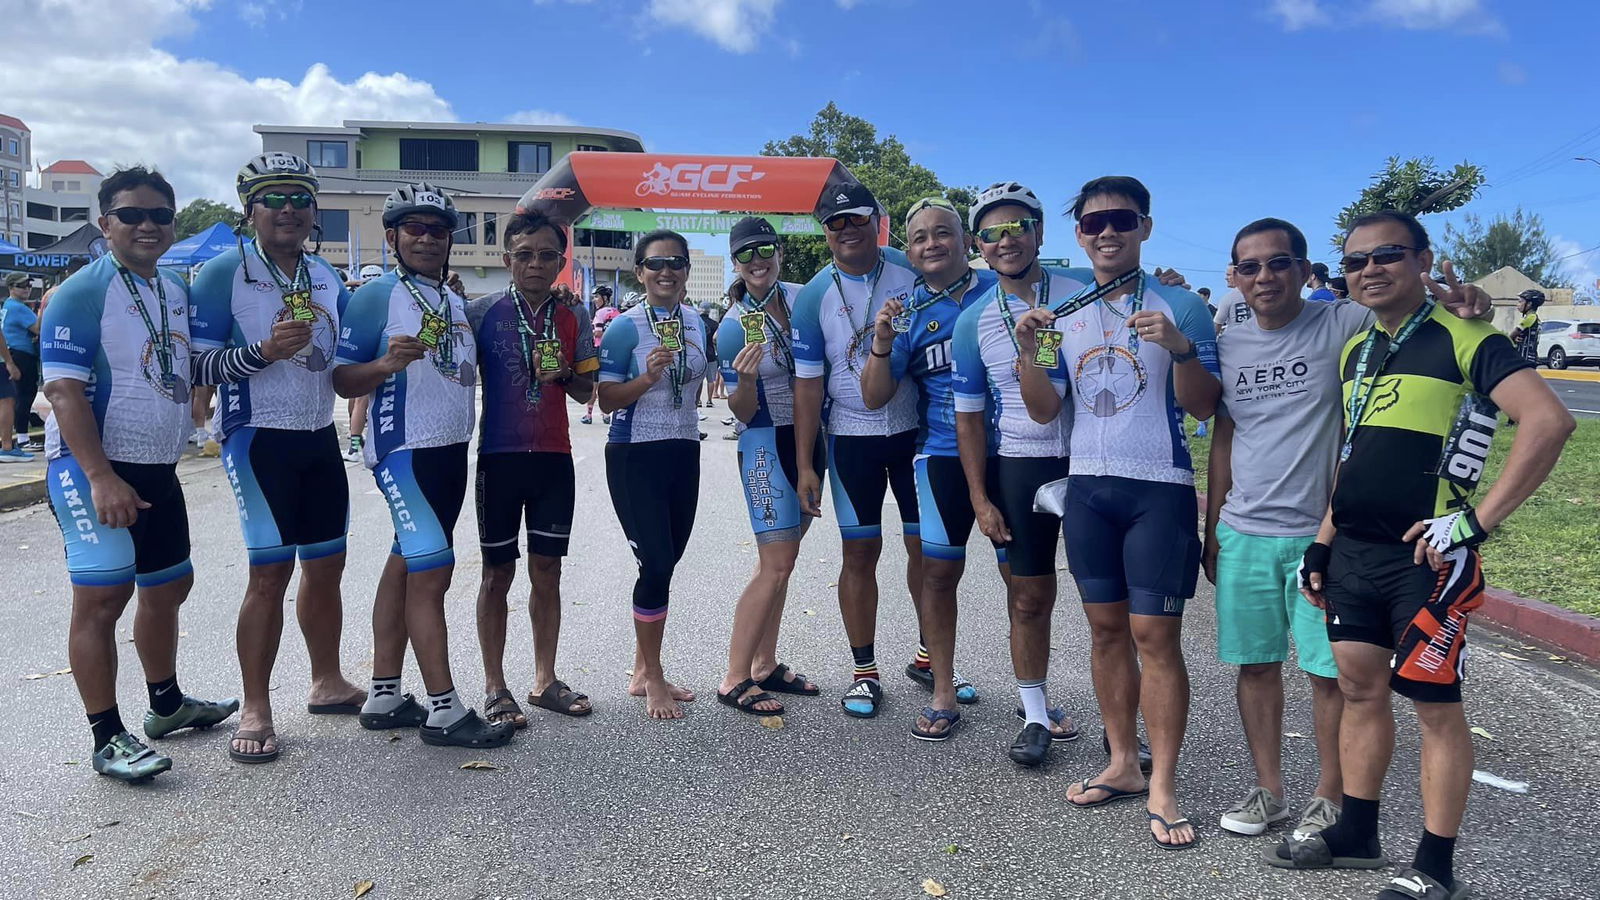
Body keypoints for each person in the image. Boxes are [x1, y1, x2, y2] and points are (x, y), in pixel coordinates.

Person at [1269, 210, 1574, 900]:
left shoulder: (1466, 334)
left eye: (1388, 255)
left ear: (1423, 260)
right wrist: (1321, 543)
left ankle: (1436, 868)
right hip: (1353, 552)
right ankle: (1358, 834)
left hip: (1430, 560)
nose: (1370, 270)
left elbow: (1547, 422)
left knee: (1435, 706)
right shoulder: (1358, 351)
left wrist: (1474, 525)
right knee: (1358, 690)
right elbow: (1350, 458)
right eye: (1354, 262)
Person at [1207, 217, 1498, 839]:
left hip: (1325, 533)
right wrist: (1212, 524)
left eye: (1280, 263)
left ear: (1306, 270)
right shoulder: (1226, 342)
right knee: (1255, 667)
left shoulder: (1345, 322)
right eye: (1249, 267)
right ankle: (1268, 792)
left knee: (1333, 676)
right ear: (1234, 277)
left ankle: (1330, 798)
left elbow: (1417, 311)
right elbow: (1223, 433)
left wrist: (1468, 299)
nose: (1265, 277)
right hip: (1246, 530)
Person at [40, 166, 299, 782]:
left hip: (157, 464)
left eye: (160, 215)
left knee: (168, 587)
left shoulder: (172, 290)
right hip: (89, 467)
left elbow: (196, 363)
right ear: (105, 224)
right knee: (102, 599)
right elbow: (65, 392)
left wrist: (263, 353)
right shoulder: (82, 292)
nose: (147, 225)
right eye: (131, 214)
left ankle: (165, 704)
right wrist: (101, 478)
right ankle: (107, 736)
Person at [1014, 175, 1220, 849]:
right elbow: (1045, 407)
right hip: (1089, 491)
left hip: (1158, 487)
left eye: (1122, 220)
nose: (1107, 232)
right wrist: (1027, 352)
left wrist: (1180, 349)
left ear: (1145, 228)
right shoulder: (1065, 313)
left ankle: (1165, 786)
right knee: (1104, 634)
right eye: (1094, 223)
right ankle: (1124, 763)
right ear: (1078, 234)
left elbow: (1204, 407)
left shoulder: (1182, 306)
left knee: (1155, 638)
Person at [188, 152, 369, 763]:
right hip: (255, 435)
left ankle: (326, 680)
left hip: (317, 433)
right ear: (251, 209)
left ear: (314, 211)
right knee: (269, 574)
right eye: (274, 198)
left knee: (327, 565)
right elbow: (195, 366)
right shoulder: (221, 273)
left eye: (299, 198)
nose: (288, 210)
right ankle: (256, 704)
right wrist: (262, 352)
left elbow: (340, 362)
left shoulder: (325, 276)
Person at [335, 182, 511, 749]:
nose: (428, 238)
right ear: (392, 237)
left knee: (405, 565)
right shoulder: (375, 295)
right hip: (403, 450)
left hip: (449, 451)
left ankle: (384, 694)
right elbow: (340, 378)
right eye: (415, 227)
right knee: (433, 571)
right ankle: (443, 709)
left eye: (439, 229)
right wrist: (385, 363)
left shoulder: (450, 299)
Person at [859, 195, 1000, 741]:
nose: (931, 244)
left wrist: (1167, 283)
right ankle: (941, 689)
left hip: (1013, 451)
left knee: (1026, 583)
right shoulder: (908, 311)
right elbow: (874, 397)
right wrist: (881, 341)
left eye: (943, 232)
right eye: (919, 238)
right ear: (909, 251)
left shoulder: (1003, 289)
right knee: (939, 574)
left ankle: (1031, 697)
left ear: (966, 241)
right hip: (940, 451)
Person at [791, 183, 931, 720]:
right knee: (860, 554)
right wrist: (806, 464)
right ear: (825, 231)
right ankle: (864, 672)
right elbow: (807, 386)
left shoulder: (909, 269)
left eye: (856, 219)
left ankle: (930, 656)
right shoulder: (813, 295)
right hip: (850, 437)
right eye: (835, 222)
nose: (847, 229)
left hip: (915, 434)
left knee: (929, 555)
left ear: (877, 221)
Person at [465, 212, 599, 727]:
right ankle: (495, 686)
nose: (536, 264)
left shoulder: (574, 316)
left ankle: (544, 680)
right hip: (497, 458)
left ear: (561, 262)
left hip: (552, 459)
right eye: (524, 254)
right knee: (496, 573)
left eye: (547, 255)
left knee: (549, 570)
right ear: (507, 261)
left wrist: (564, 373)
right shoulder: (479, 312)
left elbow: (589, 393)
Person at [597, 229, 708, 720]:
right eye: (655, 263)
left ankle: (643, 668)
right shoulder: (625, 327)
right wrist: (645, 379)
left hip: (684, 449)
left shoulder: (697, 323)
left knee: (670, 560)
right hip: (634, 453)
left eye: (676, 262)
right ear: (639, 271)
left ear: (685, 270)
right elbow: (604, 400)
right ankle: (653, 678)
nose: (666, 271)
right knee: (657, 563)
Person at [714, 216, 820, 717]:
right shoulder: (734, 325)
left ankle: (764, 664)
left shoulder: (805, 297)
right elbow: (739, 408)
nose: (758, 262)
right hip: (764, 440)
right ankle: (734, 676)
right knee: (775, 564)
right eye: (746, 255)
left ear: (778, 252)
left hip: (812, 438)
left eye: (765, 250)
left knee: (784, 562)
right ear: (735, 263)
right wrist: (749, 382)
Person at [344, 266, 384, 461]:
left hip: (358, 347)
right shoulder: (384, 294)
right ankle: (355, 444)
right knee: (361, 401)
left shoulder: (358, 295)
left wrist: (355, 284)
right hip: (374, 348)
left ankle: (355, 444)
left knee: (356, 400)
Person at [3, 272, 41, 451]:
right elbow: (39, 328)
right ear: (11, 288)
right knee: (25, 396)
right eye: (22, 285)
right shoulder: (19, 308)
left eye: (29, 285)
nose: (27, 288)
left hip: (13, 352)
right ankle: (24, 439)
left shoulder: (8, 305)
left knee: (16, 397)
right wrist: (45, 309)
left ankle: (17, 438)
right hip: (21, 354)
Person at [582, 286, 619, 425]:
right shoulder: (617, 313)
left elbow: (597, 333)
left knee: (594, 384)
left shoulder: (600, 313)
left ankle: (589, 415)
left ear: (605, 298)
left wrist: (587, 333)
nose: (594, 300)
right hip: (614, 352)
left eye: (597, 296)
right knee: (608, 384)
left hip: (599, 350)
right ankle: (606, 414)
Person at [1510, 288, 1543, 366]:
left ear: (1529, 304)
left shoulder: (1531, 317)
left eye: (1520, 301)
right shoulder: (1534, 318)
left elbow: (1514, 333)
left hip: (1524, 358)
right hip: (1528, 357)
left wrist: (1508, 339)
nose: (1518, 304)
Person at [1214, 269, 1252, 334]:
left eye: (1228, 275)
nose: (1226, 278)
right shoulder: (1258, 295)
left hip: (1235, 341)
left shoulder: (1228, 298)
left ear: (1237, 275)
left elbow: (1217, 325)